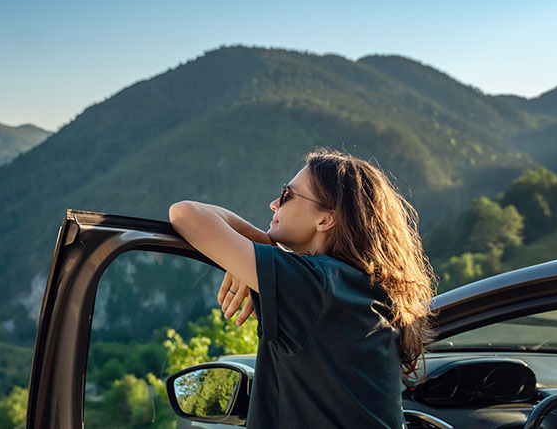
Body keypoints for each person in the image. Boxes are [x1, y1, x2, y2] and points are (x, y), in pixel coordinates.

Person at [168, 148, 437, 428]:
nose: (274, 204)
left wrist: (261, 247)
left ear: (325, 220)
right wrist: (260, 254)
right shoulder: (360, 289)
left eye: (287, 196)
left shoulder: (316, 285)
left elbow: (185, 214)